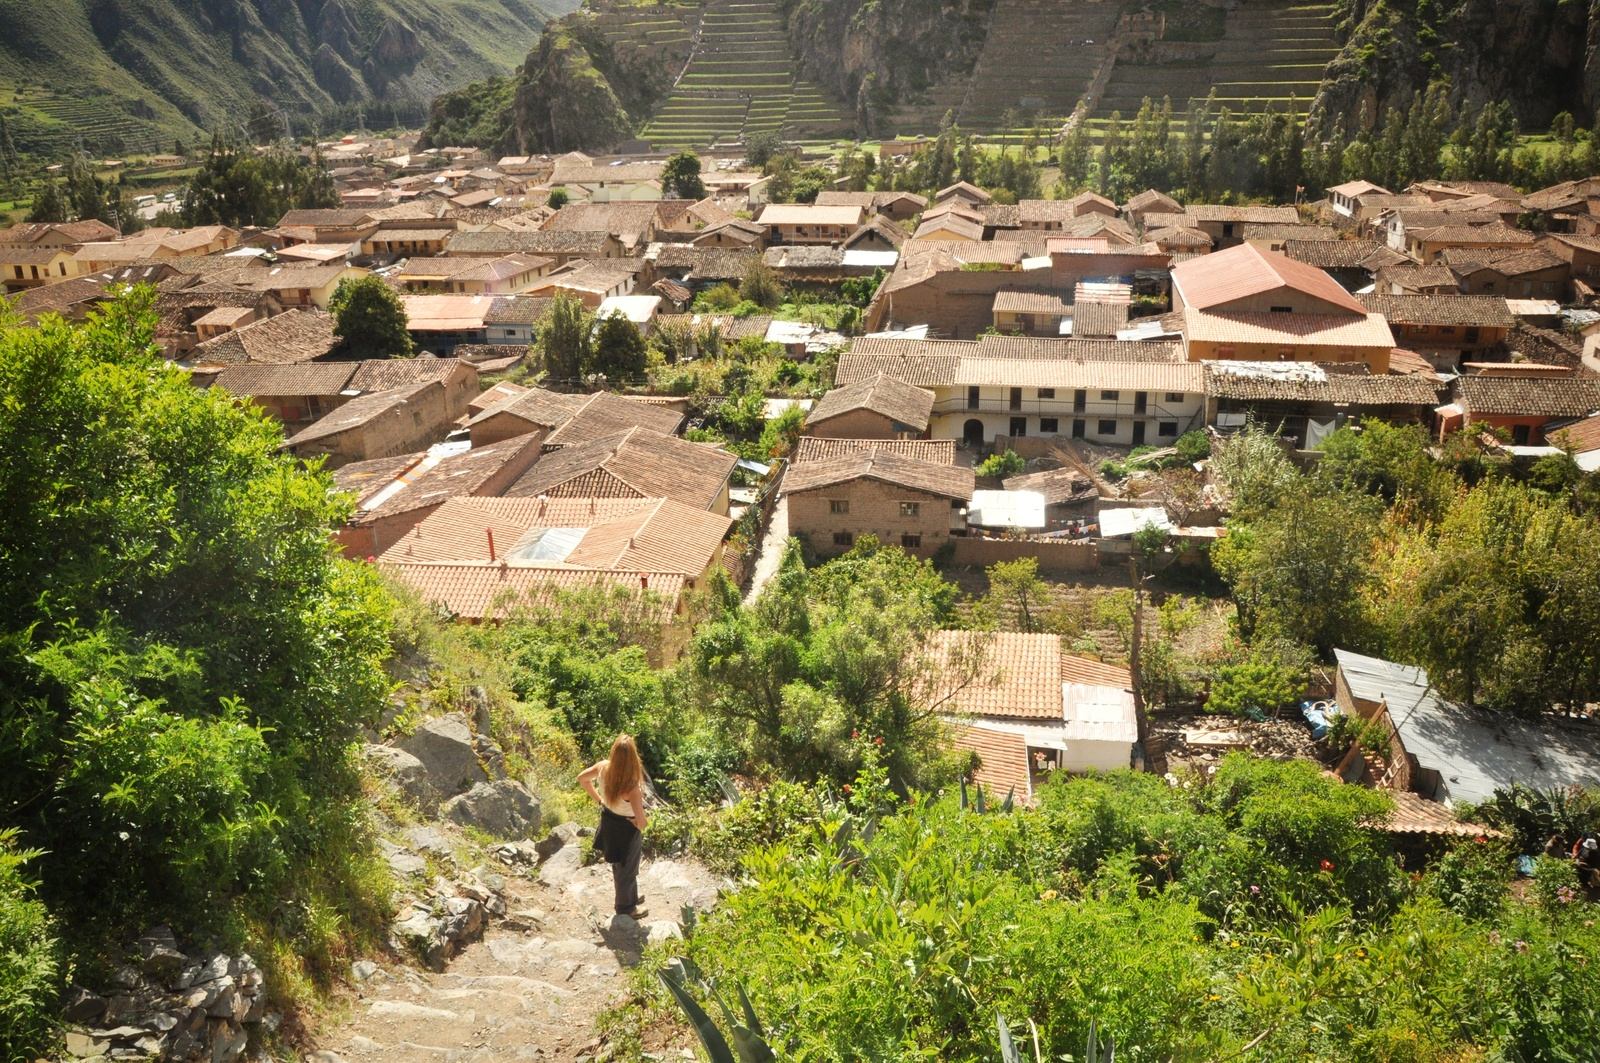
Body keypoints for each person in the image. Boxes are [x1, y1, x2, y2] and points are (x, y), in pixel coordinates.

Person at [579, 734, 649, 918]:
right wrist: (640, 822)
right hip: (627, 829)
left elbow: (582, 779)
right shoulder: (632, 787)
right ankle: (626, 908)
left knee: (619, 866)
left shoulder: (603, 768)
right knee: (628, 868)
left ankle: (629, 897)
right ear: (633, 758)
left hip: (609, 821)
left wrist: (599, 800)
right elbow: (642, 823)